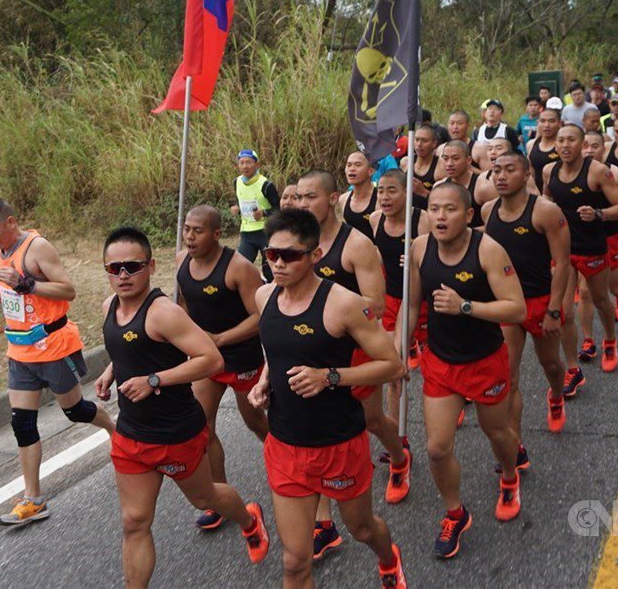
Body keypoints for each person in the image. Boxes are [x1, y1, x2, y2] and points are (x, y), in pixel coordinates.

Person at [96, 227, 269, 587]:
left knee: (205, 497)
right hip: (131, 433)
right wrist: (110, 371)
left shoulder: (164, 312)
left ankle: (250, 520)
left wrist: (154, 380)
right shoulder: (109, 307)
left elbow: (211, 359)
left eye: (132, 266)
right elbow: (128, 348)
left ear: (151, 266)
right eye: (115, 268)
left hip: (175, 432)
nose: (123, 275)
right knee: (134, 522)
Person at [248, 209, 407, 588]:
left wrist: (330, 377)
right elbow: (276, 347)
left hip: (339, 443)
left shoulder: (345, 304)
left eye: (290, 256)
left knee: (364, 529)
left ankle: (389, 560)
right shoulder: (263, 296)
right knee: (294, 561)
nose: (279, 264)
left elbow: (392, 365)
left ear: (315, 256)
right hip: (286, 442)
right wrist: (265, 380)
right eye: (272, 255)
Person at [397, 182, 526, 559]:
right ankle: (455, 513)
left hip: (485, 361)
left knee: (499, 433)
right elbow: (411, 304)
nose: (439, 216)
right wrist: (398, 351)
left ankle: (508, 476)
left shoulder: (488, 250)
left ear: (468, 215)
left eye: (449, 209)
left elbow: (516, 309)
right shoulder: (419, 248)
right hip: (440, 363)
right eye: (433, 208)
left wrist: (466, 306)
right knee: (437, 448)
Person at [0, 198, 115, 526]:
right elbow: (21, 295)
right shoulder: (2, 248)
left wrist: (25, 283)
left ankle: (114, 429)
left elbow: (67, 290)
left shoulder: (37, 248)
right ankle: (34, 499)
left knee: (76, 411)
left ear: (11, 222)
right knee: (21, 422)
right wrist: (2, 293)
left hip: (53, 347)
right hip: (20, 351)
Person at [294, 170, 411, 556]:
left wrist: (332, 312)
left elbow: (375, 305)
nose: (303, 204)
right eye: (298, 197)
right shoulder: (296, 243)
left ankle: (399, 454)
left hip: (354, 351)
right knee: (319, 432)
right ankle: (324, 524)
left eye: (311, 197)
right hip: (312, 352)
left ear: (332, 200)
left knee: (370, 421)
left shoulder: (356, 244)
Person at [175, 206, 269, 530]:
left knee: (255, 422)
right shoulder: (180, 262)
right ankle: (219, 499)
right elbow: (183, 307)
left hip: (242, 358)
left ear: (216, 234)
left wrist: (221, 338)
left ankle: (290, 462)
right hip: (206, 359)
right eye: (187, 229)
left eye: (197, 230)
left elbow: (261, 317)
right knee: (205, 429)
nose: (189, 236)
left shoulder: (239, 268)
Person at [483, 153, 571, 450]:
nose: (502, 176)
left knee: (550, 364)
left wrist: (555, 309)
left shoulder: (545, 211)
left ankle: (556, 395)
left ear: (526, 173)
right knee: (509, 377)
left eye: (510, 170)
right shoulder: (487, 210)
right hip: (507, 303)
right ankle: (515, 446)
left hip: (541, 301)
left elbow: (562, 262)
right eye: (496, 170)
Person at [543, 125, 618, 391]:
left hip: (592, 246)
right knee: (564, 312)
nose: (565, 145)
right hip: (563, 249)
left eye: (571, 140)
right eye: (560, 140)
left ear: (582, 144)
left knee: (600, 298)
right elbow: (546, 197)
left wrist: (598, 214)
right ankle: (572, 369)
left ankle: (610, 340)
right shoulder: (549, 171)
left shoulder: (598, 172)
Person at [369, 170, 431, 442]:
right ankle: (399, 440)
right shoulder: (375, 219)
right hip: (394, 301)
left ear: (407, 192)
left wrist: (419, 262)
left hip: (429, 302)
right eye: (381, 190)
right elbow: (381, 261)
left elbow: (443, 260)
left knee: (435, 369)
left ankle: (451, 400)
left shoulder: (423, 219)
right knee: (393, 369)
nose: (384, 197)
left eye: (392, 190)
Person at [584, 130, 618, 324]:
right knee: (585, 293)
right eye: (585, 146)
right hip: (583, 239)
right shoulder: (567, 173)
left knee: (614, 287)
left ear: (604, 150)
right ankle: (590, 341)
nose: (588, 150)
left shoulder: (617, 175)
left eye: (594, 146)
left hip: (610, 234)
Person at [230, 149, 280, 281]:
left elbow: (279, 209)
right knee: (239, 268)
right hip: (247, 233)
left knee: (270, 270)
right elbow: (242, 203)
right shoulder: (237, 182)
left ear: (257, 164)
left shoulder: (266, 184)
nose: (245, 166)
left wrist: (263, 213)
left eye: (249, 162)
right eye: (241, 163)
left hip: (266, 232)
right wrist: (238, 210)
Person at [437, 140, 487, 228]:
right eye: (445, 158)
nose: (449, 164)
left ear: (468, 160)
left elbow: (494, 226)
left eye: (455, 158)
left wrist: (462, 234)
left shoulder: (482, 187)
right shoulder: (439, 186)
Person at [400, 123, 445, 209]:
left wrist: (423, 191)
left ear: (434, 143)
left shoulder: (441, 168)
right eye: (416, 140)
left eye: (424, 141)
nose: (419, 144)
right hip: (407, 215)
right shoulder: (405, 162)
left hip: (428, 217)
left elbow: (446, 202)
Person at [339, 151, 378, 240]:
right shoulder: (343, 199)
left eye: (358, 165)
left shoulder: (380, 200)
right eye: (348, 165)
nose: (352, 169)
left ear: (371, 171)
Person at [526, 107, 562, 192]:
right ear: (538, 123)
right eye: (543, 121)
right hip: (537, 193)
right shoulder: (531, 145)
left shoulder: (563, 146)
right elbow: (531, 173)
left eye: (551, 121)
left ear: (559, 123)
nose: (547, 125)